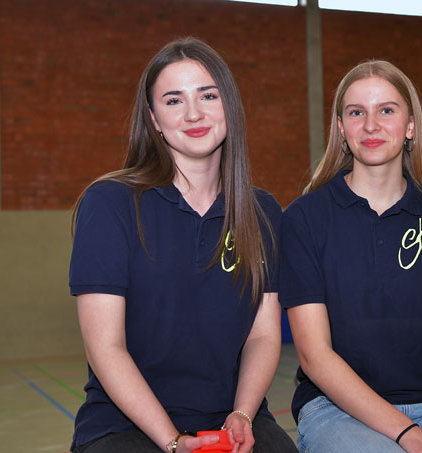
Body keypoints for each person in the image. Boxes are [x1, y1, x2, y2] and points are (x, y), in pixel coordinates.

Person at [69, 37, 297, 453]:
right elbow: (105, 347)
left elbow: (264, 336)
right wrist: (172, 441)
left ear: (229, 106)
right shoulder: (109, 204)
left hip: (232, 417)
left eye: (208, 95)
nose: (194, 113)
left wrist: (243, 413)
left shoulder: (263, 212)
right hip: (125, 425)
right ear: (154, 118)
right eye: (174, 100)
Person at [279, 60, 422, 452]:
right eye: (357, 112)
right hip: (335, 408)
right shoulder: (304, 219)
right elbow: (314, 355)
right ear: (341, 128)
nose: (371, 125)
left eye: (386, 110)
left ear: (410, 127)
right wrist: (409, 436)